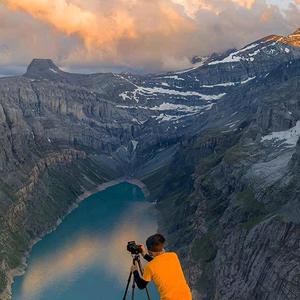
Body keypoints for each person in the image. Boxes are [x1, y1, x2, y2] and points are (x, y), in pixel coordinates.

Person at [131, 233, 192, 300]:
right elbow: (159, 263)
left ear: (149, 252)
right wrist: (144, 255)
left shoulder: (149, 267)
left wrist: (135, 271)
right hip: (187, 297)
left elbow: (141, 285)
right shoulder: (173, 256)